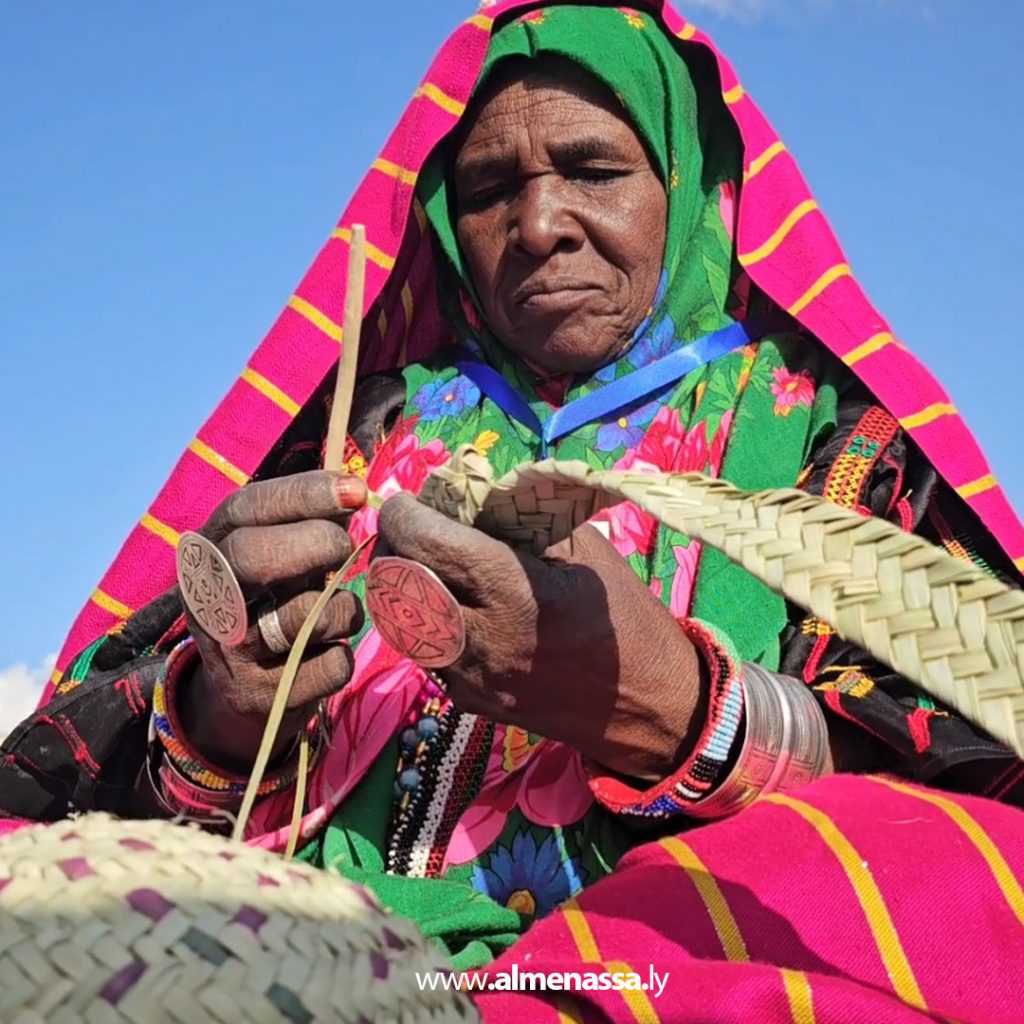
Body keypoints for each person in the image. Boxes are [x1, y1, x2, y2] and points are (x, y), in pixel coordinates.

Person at [3, 2, 1024, 1019]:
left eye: (592, 171)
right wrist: (220, 714)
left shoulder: (828, 443)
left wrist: (673, 705)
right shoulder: (356, 432)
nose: (537, 226)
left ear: (686, 183)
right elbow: (97, 766)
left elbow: (972, 788)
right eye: (489, 188)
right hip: (292, 974)